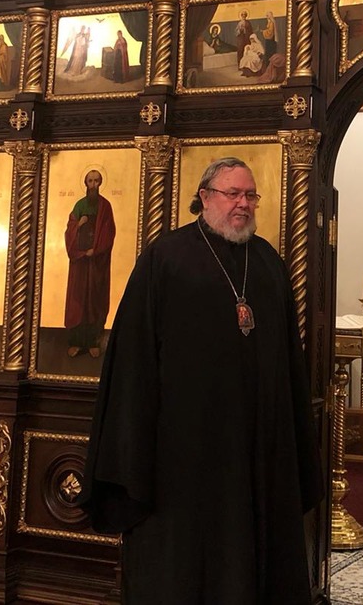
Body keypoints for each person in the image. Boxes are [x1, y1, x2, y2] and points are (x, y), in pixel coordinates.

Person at [80, 156, 321, 604]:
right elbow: (133, 359)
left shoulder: (268, 263)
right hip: (183, 452)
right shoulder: (166, 258)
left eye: (250, 195)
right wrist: (134, 444)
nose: (243, 204)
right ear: (205, 197)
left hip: (257, 445)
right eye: (233, 194)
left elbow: (289, 361)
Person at [64, 170, 116, 359]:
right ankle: (77, 342)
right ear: (85, 183)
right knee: (78, 300)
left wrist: (96, 250)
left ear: (100, 183)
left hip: (96, 262)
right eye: (90, 181)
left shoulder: (105, 206)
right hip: (80, 263)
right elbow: (69, 230)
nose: (93, 184)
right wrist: (79, 225)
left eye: (96, 181)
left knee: (94, 299)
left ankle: (94, 341)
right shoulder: (79, 205)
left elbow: (109, 231)